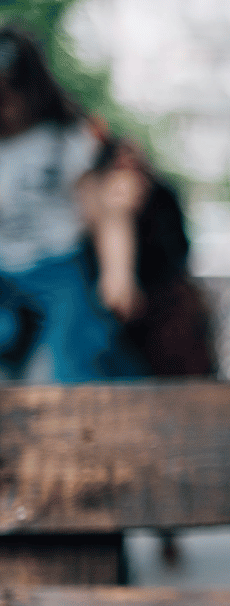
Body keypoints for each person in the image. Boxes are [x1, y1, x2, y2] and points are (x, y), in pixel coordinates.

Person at [0, 26, 149, 381]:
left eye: (9, 94)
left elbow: (105, 210)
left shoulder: (65, 140)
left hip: (59, 268)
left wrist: (118, 272)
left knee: (65, 361)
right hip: (5, 274)